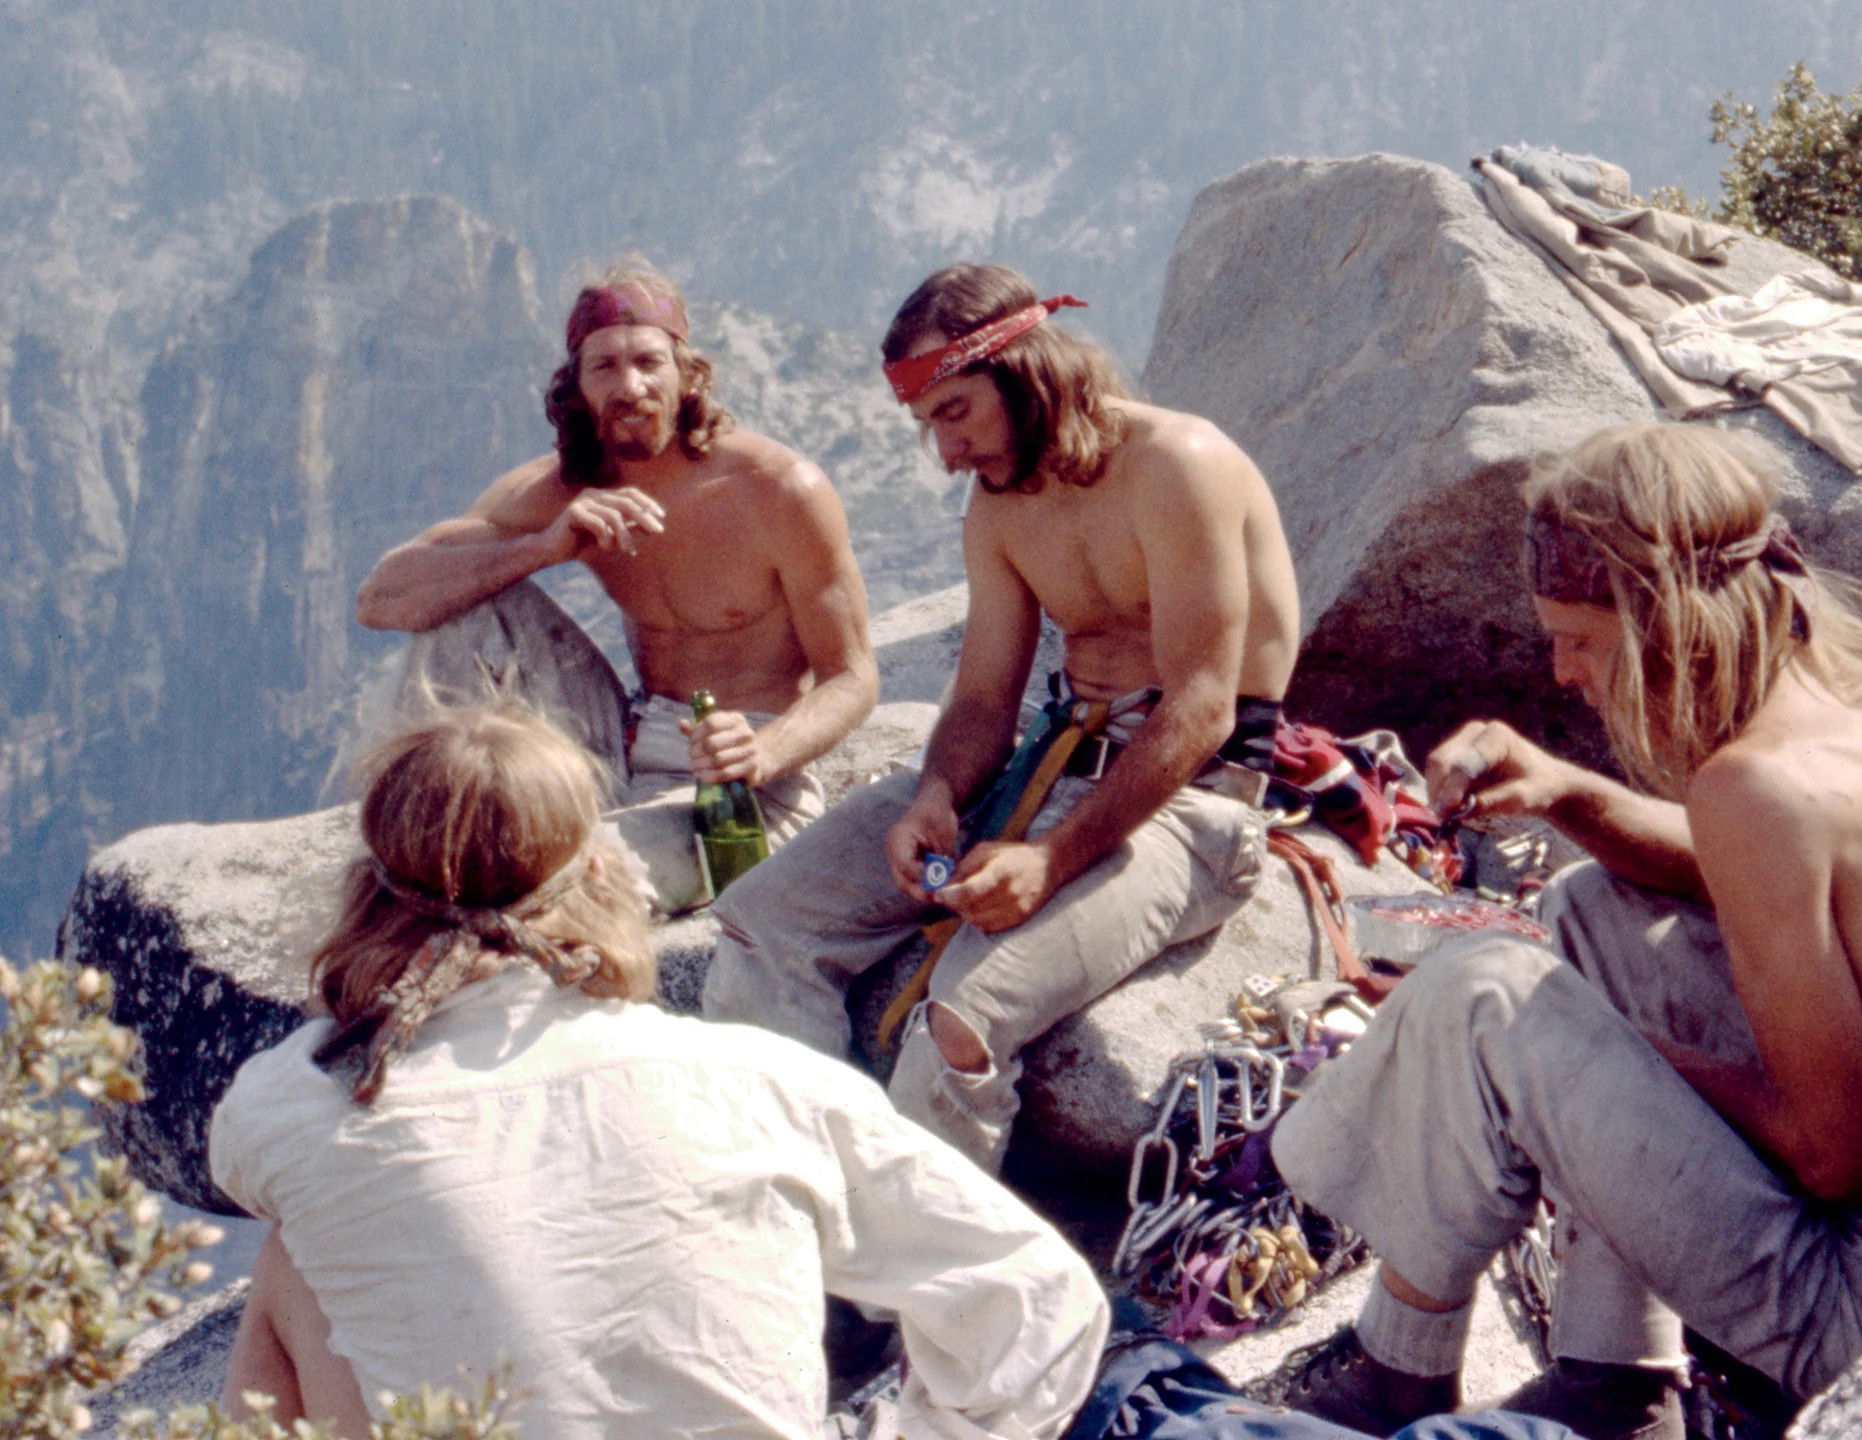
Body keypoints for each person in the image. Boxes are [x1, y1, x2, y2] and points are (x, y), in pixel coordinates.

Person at [1263, 423, 1862, 1439]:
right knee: (1591, 906)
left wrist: (1605, 1054)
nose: (1563, 672)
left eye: (1582, 640)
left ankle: (1398, 1371)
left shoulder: (1756, 789)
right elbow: (1782, 888)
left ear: (1672, 625)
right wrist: (1568, 794)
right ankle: (1616, 1380)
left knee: (1485, 992)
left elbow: (1832, 1159)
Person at [208, 704, 1108, 1440]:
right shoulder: (757, 1081)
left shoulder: (295, 1100)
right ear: (603, 874)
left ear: (369, 893)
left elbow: (250, 1163)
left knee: (299, 1253)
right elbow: (1038, 1297)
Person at [701, 264, 1301, 1171]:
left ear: (1025, 370)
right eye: (928, 424)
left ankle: (930, 1265)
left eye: (956, 412)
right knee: (764, 920)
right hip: (1046, 767)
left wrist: (1051, 859)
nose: (947, 452)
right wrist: (936, 797)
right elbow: (985, 699)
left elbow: (1203, 708)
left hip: (1190, 808)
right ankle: (809, 1196)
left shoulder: (1179, 465)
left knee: (960, 1021)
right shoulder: (1000, 509)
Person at [354, 258, 877, 913]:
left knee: (562, 889)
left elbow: (852, 675)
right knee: (472, 606)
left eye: (649, 362)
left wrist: (763, 751)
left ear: (689, 375)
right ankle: (424, 835)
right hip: (620, 744)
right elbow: (382, 600)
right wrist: (540, 549)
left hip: (737, 787)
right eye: (604, 366)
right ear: (577, 387)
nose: (630, 386)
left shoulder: (777, 491)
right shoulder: (565, 488)